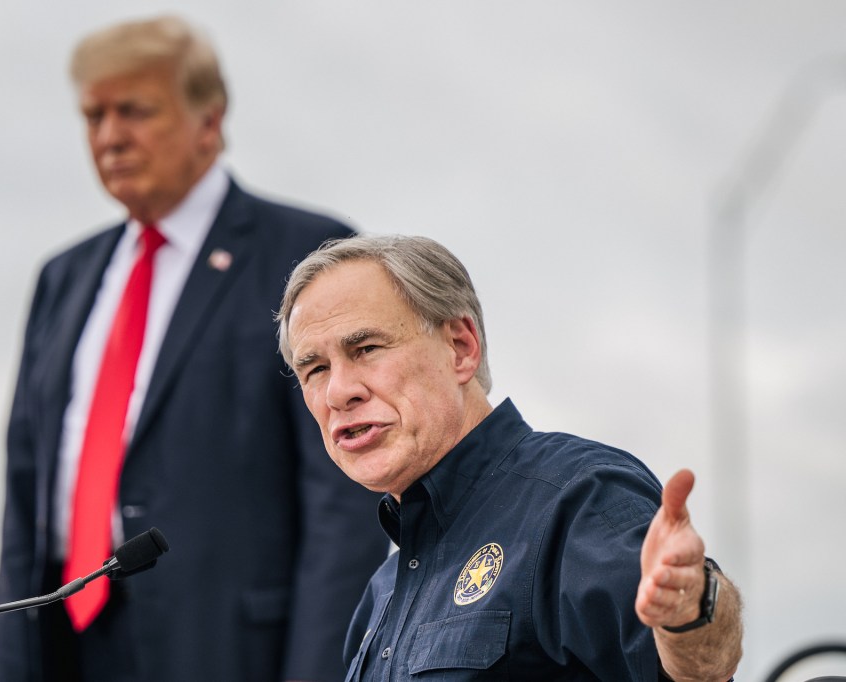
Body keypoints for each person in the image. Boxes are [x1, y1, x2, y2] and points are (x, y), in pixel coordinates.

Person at [0, 15, 389, 682]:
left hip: (230, 650)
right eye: (93, 116)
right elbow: (24, 498)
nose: (110, 136)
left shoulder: (307, 255)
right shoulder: (63, 278)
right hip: (64, 644)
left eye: (135, 111)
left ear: (209, 120)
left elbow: (342, 502)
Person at [277, 234, 744, 681]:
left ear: (461, 348)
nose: (338, 391)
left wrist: (690, 610)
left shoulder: (577, 498)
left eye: (367, 349)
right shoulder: (379, 596)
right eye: (315, 369)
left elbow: (702, 671)